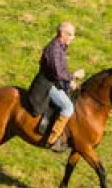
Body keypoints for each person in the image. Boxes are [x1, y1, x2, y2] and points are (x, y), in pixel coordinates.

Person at [30, 21, 79, 150]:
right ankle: (53, 139)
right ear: (62, 33)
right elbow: (58, 73)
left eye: (73, 35)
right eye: (70, 35)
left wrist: (69, 83)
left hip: (53, 82)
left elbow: (59, 72)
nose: (72, 38)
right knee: (68, 107)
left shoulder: (61, 47)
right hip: (46, 85)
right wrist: (73, 75)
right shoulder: (54, 48)